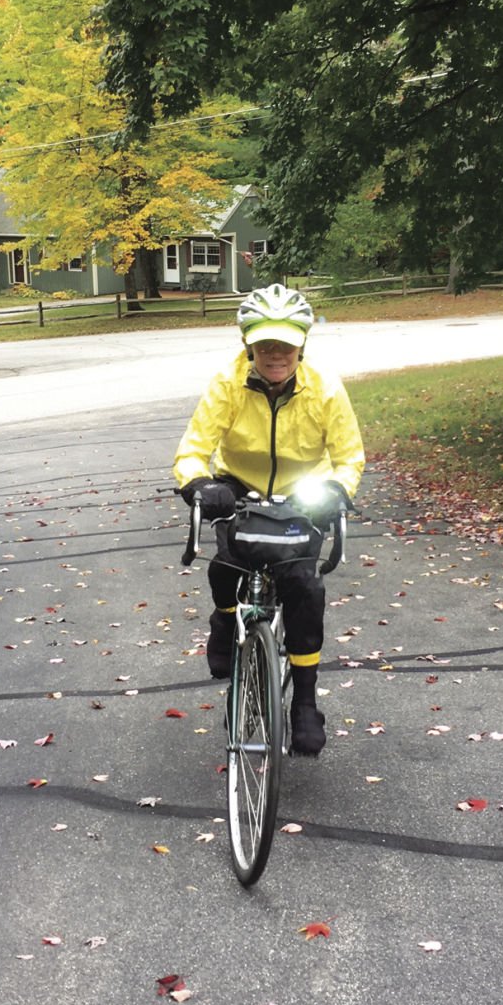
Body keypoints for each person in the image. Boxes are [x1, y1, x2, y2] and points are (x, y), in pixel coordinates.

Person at [174, 283, 365, 755]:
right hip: (240, 483)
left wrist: (339, 490)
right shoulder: (228, 384)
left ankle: (304, 700)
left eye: (285, 343)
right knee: (226, 568)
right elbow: (193, 449)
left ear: (302, 344)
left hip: (306, 490)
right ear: (248, 345)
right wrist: (200, 484)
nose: (275, 353)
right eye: (264, 344)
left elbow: (348, 456)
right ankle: (224, 623)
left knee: (304, 586)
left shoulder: (324, 388)